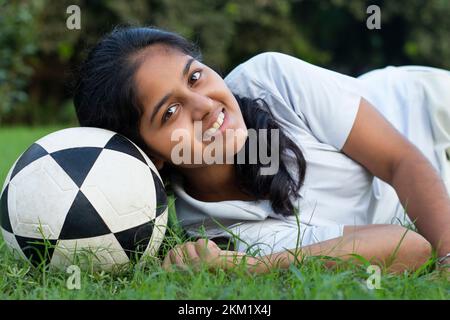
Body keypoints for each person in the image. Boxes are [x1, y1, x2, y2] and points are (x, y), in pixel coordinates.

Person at [73, 26, 450, 274]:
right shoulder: (221, 232)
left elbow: (400, 160)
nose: (204, 105)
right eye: (170, 112)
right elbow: (408, 247)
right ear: (150, 156)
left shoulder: (272, 80)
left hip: (432, 111)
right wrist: (256, 268)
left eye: (195, 76)